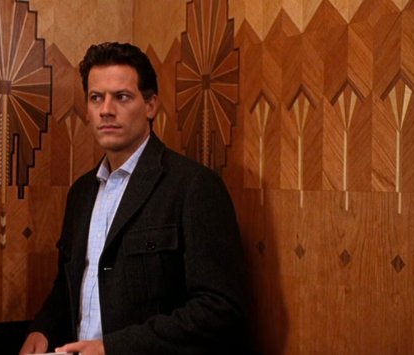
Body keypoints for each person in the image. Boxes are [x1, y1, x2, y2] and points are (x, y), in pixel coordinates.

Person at [19, 42, 248, 355]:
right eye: (96, 98)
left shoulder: (193, 186)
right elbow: (71, 284)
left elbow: (220, 310)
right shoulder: (81, 193)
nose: (106, 110)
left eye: (122, 97)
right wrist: (43, 327)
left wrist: (113, 348)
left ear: (151, 105)